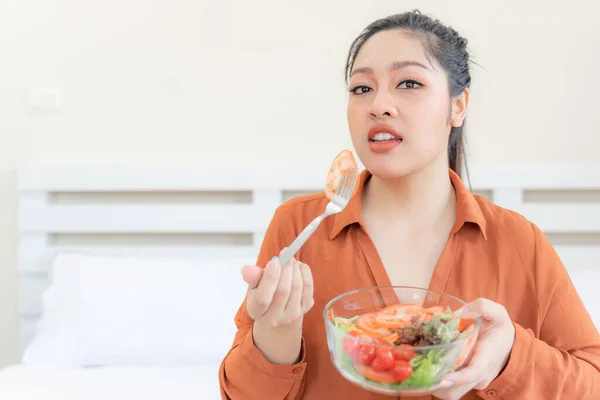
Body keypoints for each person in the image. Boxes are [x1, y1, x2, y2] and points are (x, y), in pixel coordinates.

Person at [218, 10, 600, 400]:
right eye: (362, 88)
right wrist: (274, 337)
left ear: (458, 106)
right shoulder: (298, 226)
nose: (379, 105)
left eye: (409, 83)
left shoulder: (519, 241)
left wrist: (508, 359)